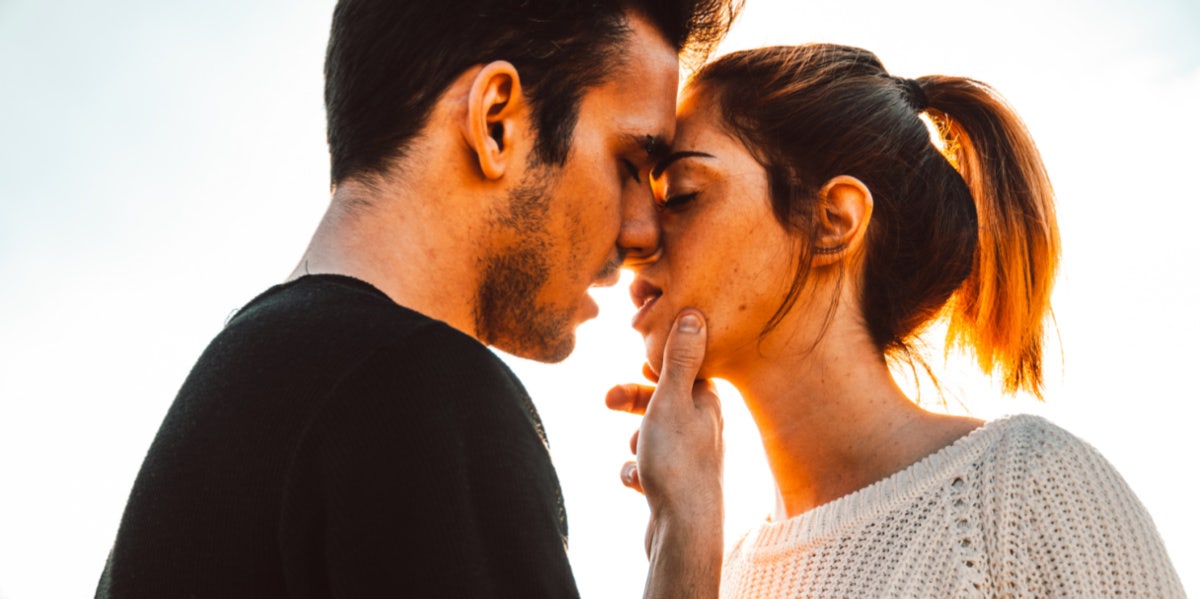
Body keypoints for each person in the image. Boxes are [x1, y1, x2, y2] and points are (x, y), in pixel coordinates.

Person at [95, 1, 741, 597]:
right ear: (496, 122)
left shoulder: (250, 386)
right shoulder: (419, 393)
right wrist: (688, 542)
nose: (644, 230)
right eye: (630, 164)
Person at [608, 43, 1185, 597]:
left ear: (832, 220)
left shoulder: (1025, 491)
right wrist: (683, 542)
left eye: (679, 194)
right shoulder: (714, 572)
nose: (633, 236)